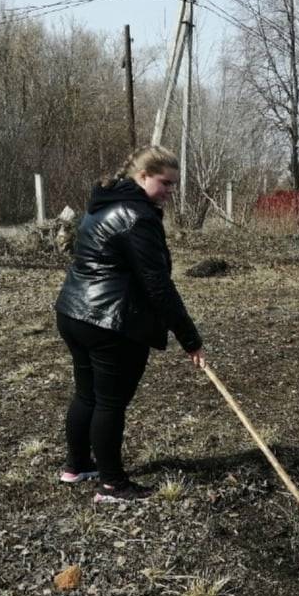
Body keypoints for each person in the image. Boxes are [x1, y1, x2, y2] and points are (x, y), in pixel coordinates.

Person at [54, 145, 205, 504]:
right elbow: (158, 285)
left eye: (173, 185)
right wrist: (190, 338)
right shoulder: (137, 216)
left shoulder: (102, 205)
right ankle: (112, 485)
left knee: (87, 394)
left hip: (74, 312)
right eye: (165, 183)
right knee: (109, 402)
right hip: (109, 321)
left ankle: (76, 466)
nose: (170, 192)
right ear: (142, 176)